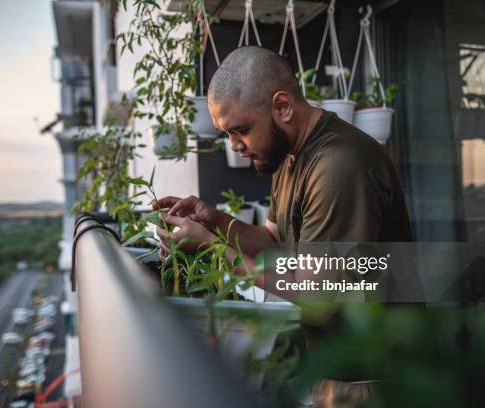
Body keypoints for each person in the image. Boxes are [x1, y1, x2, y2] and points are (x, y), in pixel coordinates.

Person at [153, 46, 413, 407]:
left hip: (373, 378)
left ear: (283, 107)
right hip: (336, 371)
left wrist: (213, 251)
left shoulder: (338, 166)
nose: (236, 146)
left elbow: (319, 297)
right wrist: (215, 221)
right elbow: (275, 242)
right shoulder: (290, 158)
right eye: (227, 134)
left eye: (240, 130)